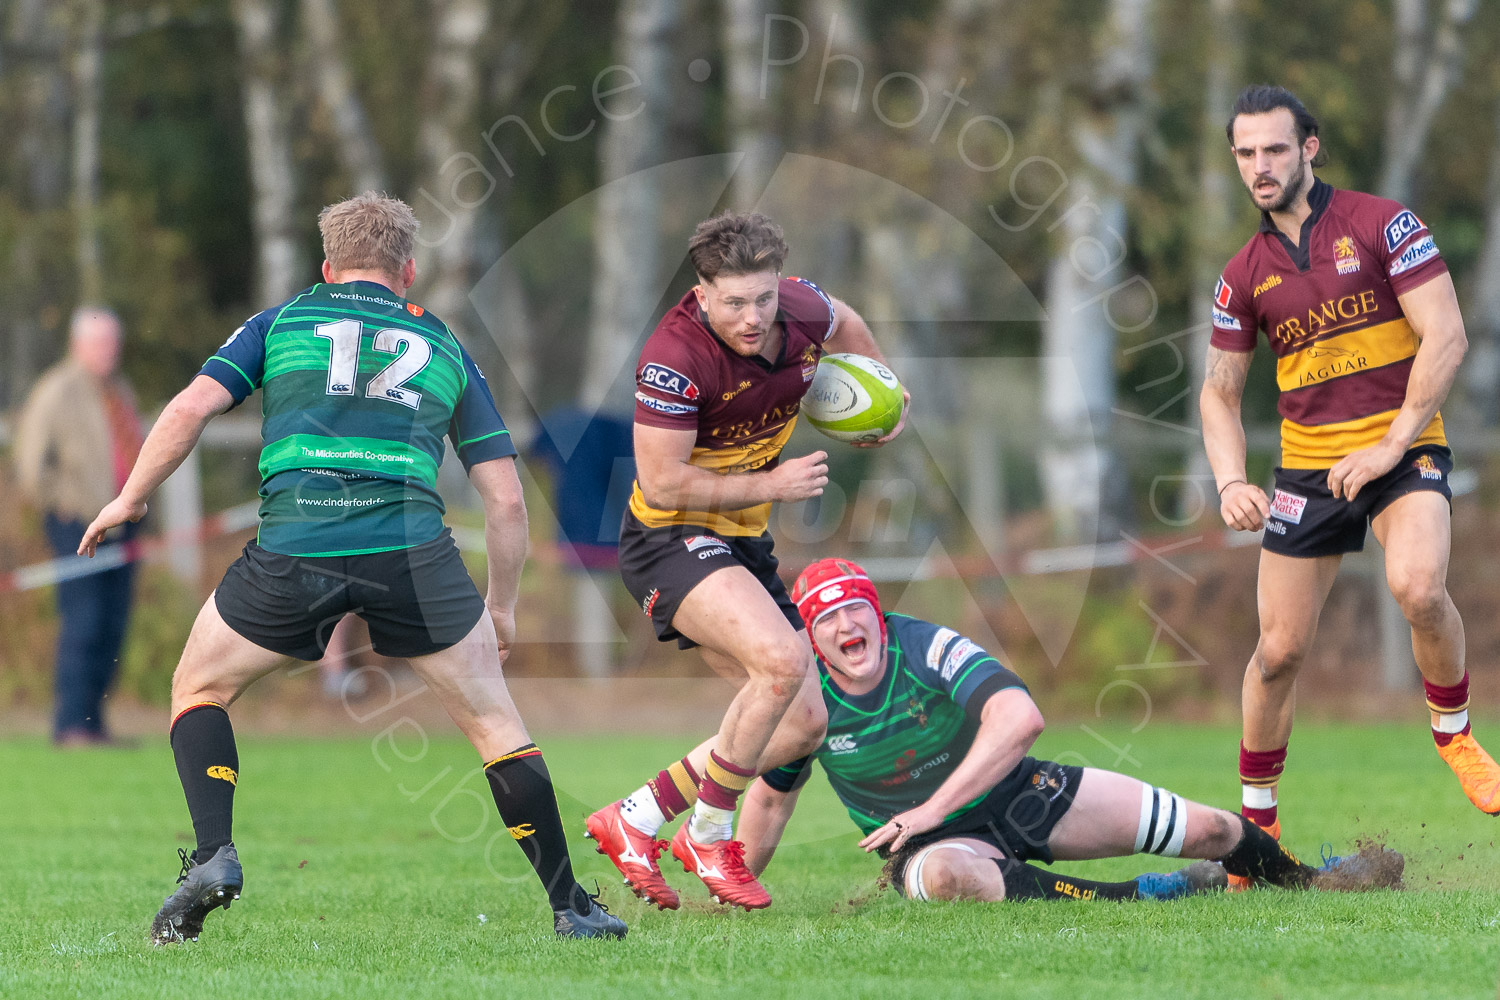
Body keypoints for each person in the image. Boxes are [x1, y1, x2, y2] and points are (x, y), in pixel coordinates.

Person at [78, 192, 624, 943]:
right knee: (496, 724)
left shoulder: (284, 323)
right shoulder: (445, 349)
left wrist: (130, 499)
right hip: (412, 555)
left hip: (295, 545)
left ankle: (214, 855)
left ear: (327, 266)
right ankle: (572, 907)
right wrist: (501, 607)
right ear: (408, 271)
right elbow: (505, 503)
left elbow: (188, 409)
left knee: (199, 687)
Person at [1200, 85, 1497, 886]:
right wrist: (1230, 480)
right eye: (1246, 153)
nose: (1260, 167)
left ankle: (1455, 733)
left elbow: (1448, 333)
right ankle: (1255, 831)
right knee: (1278, 651)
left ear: (1310, 148)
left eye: (1274, 149)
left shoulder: (1382, 224)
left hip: (1403, 451)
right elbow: (1219, 393)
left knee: (1418, 585)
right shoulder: (1243, 276)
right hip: (1307, 470)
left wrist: (1392, 442)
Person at [731, 558, 1395, 904]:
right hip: (927, 846)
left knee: (1214, 831)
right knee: (949, 883)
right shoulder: (808, 701)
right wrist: (736, 883)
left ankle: (1312, 883)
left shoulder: (923, 646)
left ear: (879, 614)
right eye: (829, 621)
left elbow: (1020, 717)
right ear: (812, 638)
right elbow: (768, 799)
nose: (848, 628)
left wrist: (933, 803)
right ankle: (1151, 894)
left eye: (857, 611)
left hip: (1019, 793)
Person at [585, 212, 908, 910]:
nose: (753, 316)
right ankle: (707, 831)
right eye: (734, 302)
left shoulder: (797, 306)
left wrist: (886, 394)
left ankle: (635, 818)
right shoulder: (674, 358)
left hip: (742, 541)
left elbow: (846, 321)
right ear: (702, 295)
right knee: (784, 664)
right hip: (669, 537)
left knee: (802, 725)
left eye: (762, 298)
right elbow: (664, 480)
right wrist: (774, 484)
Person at [14, 306, 144, 746]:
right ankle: (70, 723)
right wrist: (63, 507)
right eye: (99, 343)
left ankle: (93, 723)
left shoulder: (119, 390)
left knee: (113, 624)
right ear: (78, 345)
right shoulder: (57, 390)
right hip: (78, 523)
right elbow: (31, 465)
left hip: (123, 525)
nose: (109, 352)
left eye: (113, 343)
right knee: (83, 621)